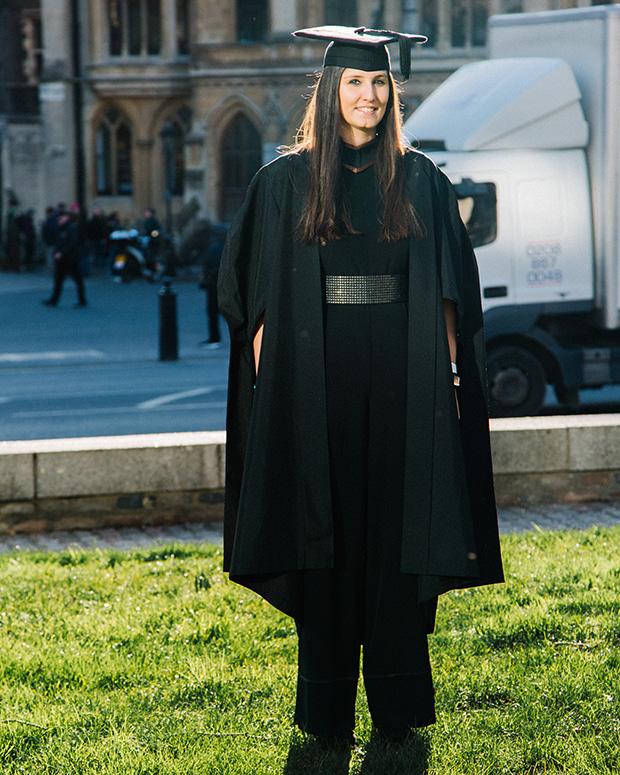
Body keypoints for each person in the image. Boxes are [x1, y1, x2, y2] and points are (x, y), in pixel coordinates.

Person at [218, 26, 504, 747]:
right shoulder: (282, 184)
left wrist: (446, 377)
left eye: (379, 84)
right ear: (329, 92)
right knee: (326, 538)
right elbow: (250, 296)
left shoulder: (419, 180)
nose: (368, 96)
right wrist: (271, 382)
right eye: (354, 84)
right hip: (315, 383)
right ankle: (324, 710)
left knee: (394, 537)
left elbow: (447, 295)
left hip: (404, 380)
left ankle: (399, 707)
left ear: (391, 95)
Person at [43, 210, 87, 307]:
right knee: (58, 280)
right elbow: (58, 242)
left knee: (78, 280)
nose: (59, 219)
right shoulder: (60, 228)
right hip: (62, 260)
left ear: (66, 218)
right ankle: (54, 300)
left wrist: (61, 253)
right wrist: (56, 252)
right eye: (58, 218)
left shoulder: (71, 228)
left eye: (61, 218)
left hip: (71, 259)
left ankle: (82, 300)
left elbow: (72, 243)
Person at [199, 224, 226, 348]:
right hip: (223, 283)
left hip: (213, 283)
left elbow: (208, 265)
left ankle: (214, 338)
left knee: (212, 312)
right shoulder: (226, 246)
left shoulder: (213, 248)